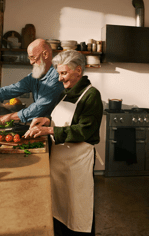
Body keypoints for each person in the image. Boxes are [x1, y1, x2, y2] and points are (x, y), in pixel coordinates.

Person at [24, 50, 103, 236]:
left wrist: (50, 130)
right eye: (59, 73)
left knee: (78, 212)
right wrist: (46, 121)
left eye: (64, 73)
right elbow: (61, 121)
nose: (60, 79)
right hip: (59, 163)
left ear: (78, 70)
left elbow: (84, 130)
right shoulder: (65, 94)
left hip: (77, 165)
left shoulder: (91, 95)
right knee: (59, 210)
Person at [0, 39, 64, 125]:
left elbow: (38, 108)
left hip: (56, 126)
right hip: (41, 125)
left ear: (45, 54)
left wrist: (10, 117)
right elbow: (13, 89)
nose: (31, 63)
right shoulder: (35, 76)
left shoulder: (57, 77)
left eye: (32, 57)